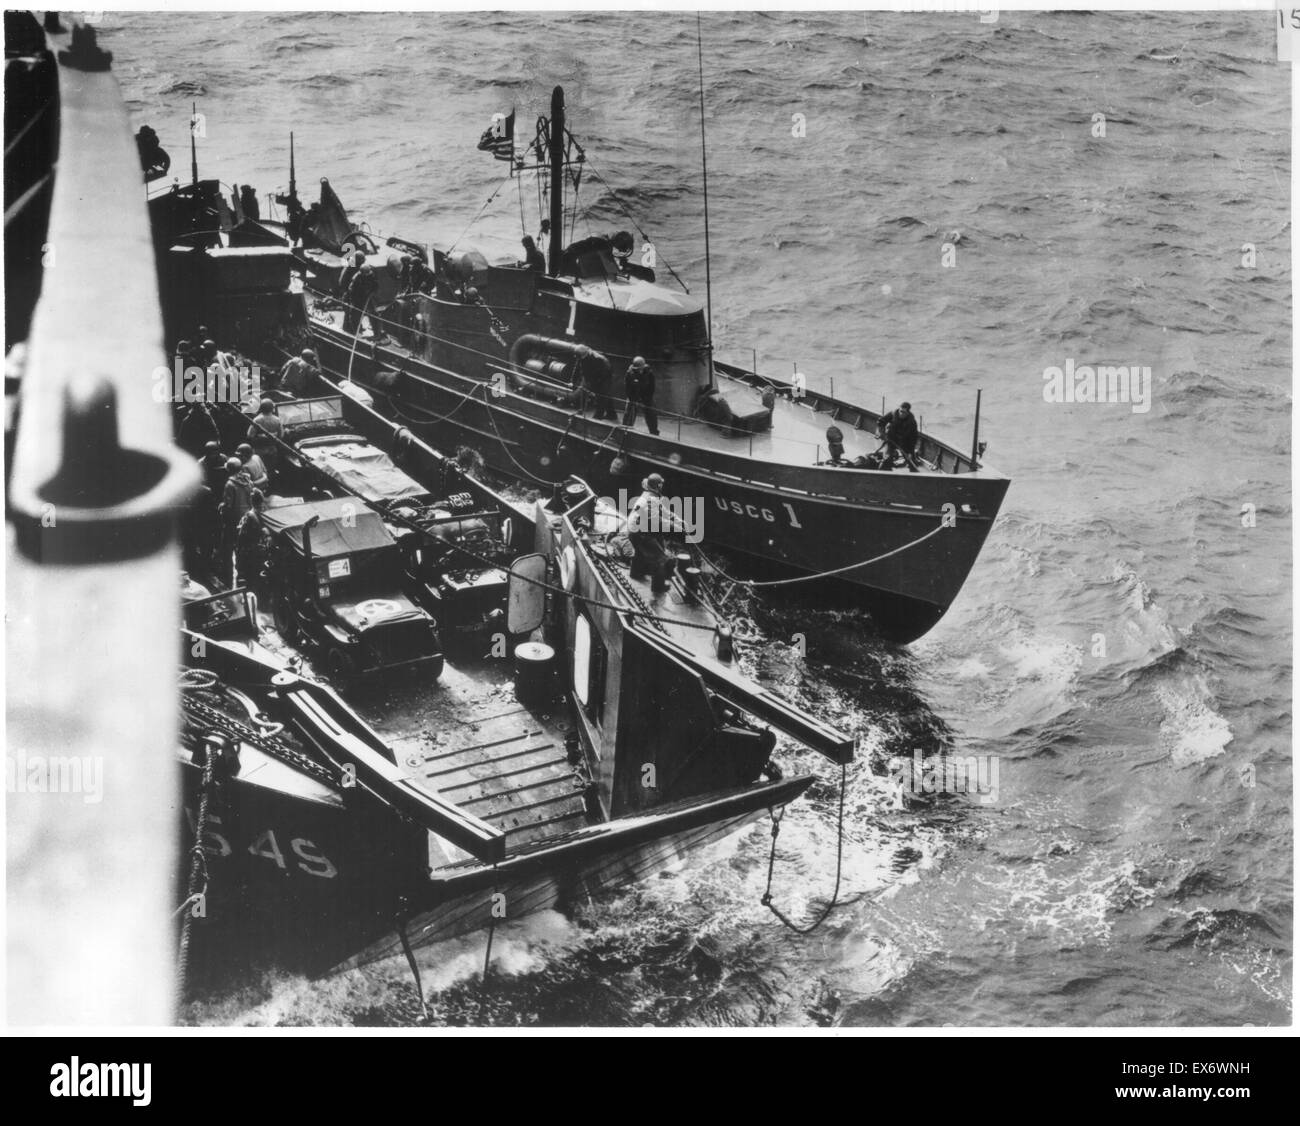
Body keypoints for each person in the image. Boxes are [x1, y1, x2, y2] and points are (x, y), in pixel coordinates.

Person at [627, 473, 676, 592]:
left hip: (633, 530)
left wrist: (676, 519)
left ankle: (635, 573)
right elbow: (656, 520)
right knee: (660, 559)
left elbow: (663, 511)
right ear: (658, 485)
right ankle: (658, 587)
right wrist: (673, 525)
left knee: (639, 551)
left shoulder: (648, 495)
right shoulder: (652, 499)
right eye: (661, 484)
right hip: (640, 533)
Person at [217, 458, 253, 586]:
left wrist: (221, 507)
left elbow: (228, 505)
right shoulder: (248, 480)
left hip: (234, 519)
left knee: (228, 546)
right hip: (247, 515)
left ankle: (227, 575)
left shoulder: (230, 484)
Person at [234, 490, 269, 593]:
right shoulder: (264, 513)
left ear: (251, 501)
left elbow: (241, 537)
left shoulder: (249, 516)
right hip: (259, 551)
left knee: (250, 580)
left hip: (250, 553)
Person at [622, 356, 659, 435]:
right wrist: (633, 399)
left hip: (646, 396)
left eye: (641, 369)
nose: (639, 370)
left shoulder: (649, 373)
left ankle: (654, 433)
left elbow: (651, 388)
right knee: (629, 413)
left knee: (651, 413)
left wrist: (646, 399)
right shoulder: (629, 373)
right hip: (633, 396)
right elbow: (627, 388)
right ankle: (625, 431)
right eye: (637, 369)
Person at [248, 398, 284, 479]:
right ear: (272, 408)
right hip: (272, 449)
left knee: (260, 470)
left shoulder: (257, 420)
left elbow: (250, 435)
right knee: (271, 469)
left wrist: (260, 437)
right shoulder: (277, 420)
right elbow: (281, 435)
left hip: (259, 450)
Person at [578, 346, 616, 421]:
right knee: (606, 395)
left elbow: (606, 371)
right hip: (595, 378)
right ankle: (612, 414)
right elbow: (584, 369)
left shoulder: (599, 359)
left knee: (601, 395)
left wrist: (596, 382)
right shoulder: (584, 357)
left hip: (604, 379)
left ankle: (598, 416)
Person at [880, 401, 920, 471]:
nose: (901, 414)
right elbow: (881, 422)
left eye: (903, 412)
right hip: (891, 440)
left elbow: (913, 438)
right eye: (900, 411)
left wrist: (910, 452)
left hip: (904, 442)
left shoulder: (912, 422)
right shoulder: (892, 414)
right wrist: (882, 433)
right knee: (886, 459)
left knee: (912, 462)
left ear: (908, 413)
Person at [343, 264, 376, 334]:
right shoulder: (356, 278)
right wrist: (353, 302)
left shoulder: (370, 275)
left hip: (364, 297)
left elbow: (375, 285)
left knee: (366, 313)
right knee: (353, 314)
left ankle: (360, 327)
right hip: (354, 298)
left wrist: (372, 291)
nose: (367, 275)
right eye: (365, 274)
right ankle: (351, 330)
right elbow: (351, 291)